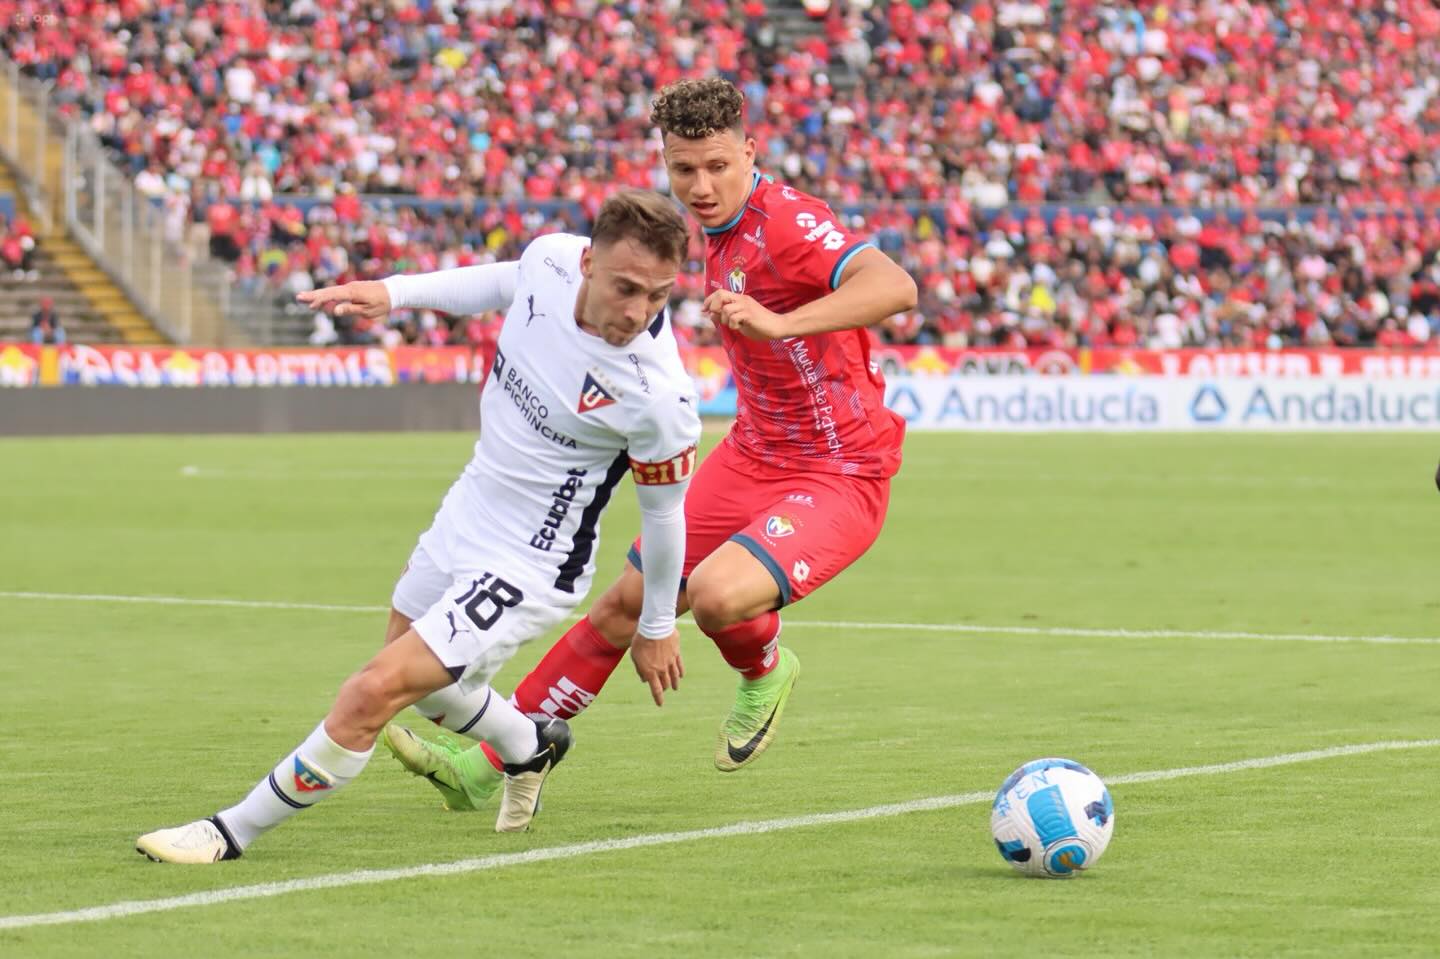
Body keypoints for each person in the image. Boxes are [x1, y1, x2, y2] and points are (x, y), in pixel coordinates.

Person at [405, 76, 917, 828]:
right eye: (684, 170)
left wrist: (779, 324)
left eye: (717, 166)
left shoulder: (789, 223)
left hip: (839, 469)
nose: (701, 186)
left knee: (711, 594)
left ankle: (765, 669)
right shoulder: (695, 231)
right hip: (752, 452)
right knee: (627, 603)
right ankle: (488, 764)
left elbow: (894, 284)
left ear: (750, 151)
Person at [135, 190, 702, 861]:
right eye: (625, 287)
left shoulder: (659, 394)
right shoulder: (549, 260)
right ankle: (532, 744)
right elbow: (501, 278)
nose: (637, 311)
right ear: (586, 263)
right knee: (432, 694)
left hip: (531, 562)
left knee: (374, 689)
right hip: (468, 508)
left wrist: (658, 624)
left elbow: (666, 517)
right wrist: (394, 292)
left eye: (657, 296)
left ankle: (230, 831)